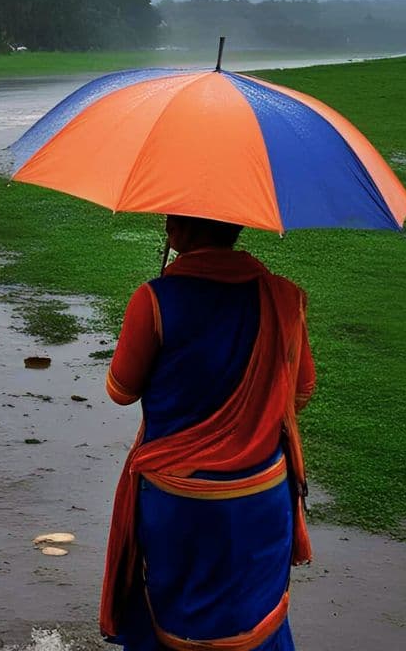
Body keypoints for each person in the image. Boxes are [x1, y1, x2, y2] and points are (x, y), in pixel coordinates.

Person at [99, 215, 316, 650]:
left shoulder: (154, 300)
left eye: (171, 216)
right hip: (262, 496)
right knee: (254, 626)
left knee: (174, 630)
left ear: (179, 230)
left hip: (181, 502)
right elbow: (300, 393)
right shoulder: (284, 296)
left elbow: (121, 390)